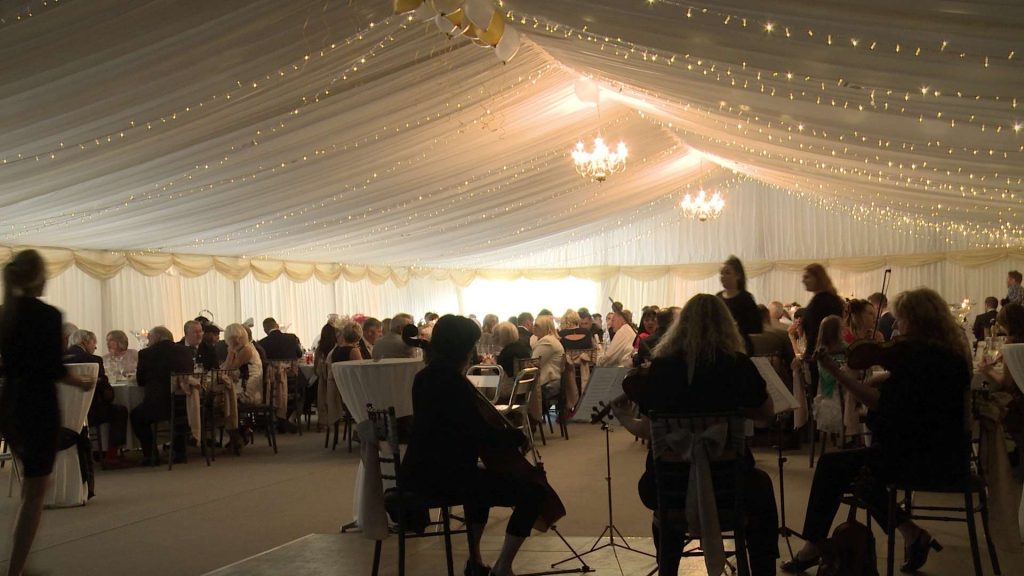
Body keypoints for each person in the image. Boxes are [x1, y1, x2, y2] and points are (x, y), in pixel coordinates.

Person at [783, 288, 971, 574]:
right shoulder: (951, 356)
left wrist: (835, 372)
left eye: (901, 320)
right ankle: (911, 533)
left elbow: (880, 404)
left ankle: (814, 545)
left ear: (916, 321)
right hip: (951, 455)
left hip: (918, 458)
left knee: (834, 466)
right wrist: (888, 376)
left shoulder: (914, 358)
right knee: (859, 474)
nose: (895, 326)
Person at [610, 294, 778, 576]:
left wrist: (624, 417)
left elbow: (647, 429)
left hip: (669, 486)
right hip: (730, 485)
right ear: (727, 326)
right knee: (762, 490)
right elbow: (766, 413)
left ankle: (668, 565)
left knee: (657, 494)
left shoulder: (661, 368)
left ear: (680, 326)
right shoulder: (736, 364)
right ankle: (763, 570)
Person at [402, 315, 544, 576]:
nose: (474, 351)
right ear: (463, 348)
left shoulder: (423, 378)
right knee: (533, 492)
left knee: (481, 484)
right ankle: (503, 567)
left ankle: (475, 561)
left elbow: (455, 430)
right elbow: (478, 433)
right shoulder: (454, 384)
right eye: (473, 344)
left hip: (416, 473)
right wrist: (517, 438)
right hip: (444, 479)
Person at [0, 250, 93, 576]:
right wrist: (80, 382)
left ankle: (20, 565)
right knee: (35, 494)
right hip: (38, 407)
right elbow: (52, 368)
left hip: (9, 404)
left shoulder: (4, 314)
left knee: (29, 487)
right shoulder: (48, 315)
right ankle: (16, 569)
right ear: (39, 277)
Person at [67, 329, 129, 470]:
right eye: (94, 343)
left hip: (67, 413)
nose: (95, 347)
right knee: (119, 411)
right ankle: (111, 456)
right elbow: (108, 393)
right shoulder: (93, 360)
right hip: (90, 413)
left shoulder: (59, 359)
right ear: (85, 341)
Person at [131, 326, 193, 465]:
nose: (148, 341)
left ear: (157, 337)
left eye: (150, 338)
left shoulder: (146, 353)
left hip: (158, 405)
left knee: (137, 416)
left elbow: (140, 381)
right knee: (177, 415)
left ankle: (151, 455)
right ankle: (180, 453)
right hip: (184, 403)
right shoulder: (185, 351)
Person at [799, 264, 844, 394]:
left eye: (807, 277)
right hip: (828, 357)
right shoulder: (830, 299)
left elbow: (816, 335)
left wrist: (808, 357)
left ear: (818, 278)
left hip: (820, 359)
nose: (803, 280)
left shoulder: (821, 301)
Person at [717, 255, 763, 353]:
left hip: (740, 347)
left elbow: (757, 327)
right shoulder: (718, 297)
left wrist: (736, 326)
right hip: (721, 346)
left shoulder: (746, 298)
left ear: (738, 275)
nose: (723, 276)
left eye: (727, 273)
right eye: (721, 273)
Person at [530, 315, 564, 422]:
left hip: (548, 383)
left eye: (537, 325)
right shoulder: (551, 340)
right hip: (554, 381)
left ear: (545, 327)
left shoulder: (547, 341)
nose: (533, 327)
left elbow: (533, 362)